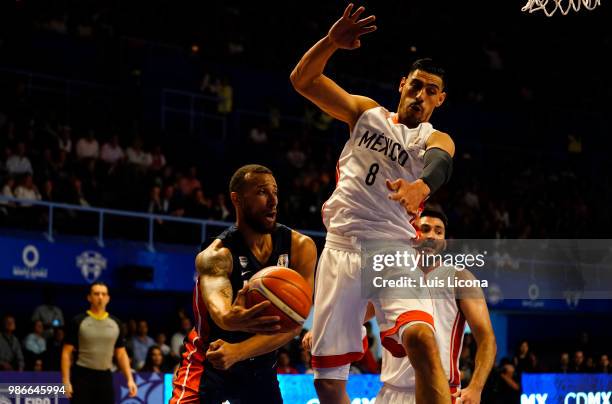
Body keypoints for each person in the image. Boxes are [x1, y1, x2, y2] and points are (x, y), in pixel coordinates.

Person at [290, 4, 455, 403]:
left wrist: (421, 188)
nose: (421, 95)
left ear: (440, 100)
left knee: (421, 340)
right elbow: (303, 80)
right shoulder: (366, 113)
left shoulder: (434, 138)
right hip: (341, 247)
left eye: (431, 91)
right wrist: (331, 43)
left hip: (391, 249)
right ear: (402, 85)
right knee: (328, 381)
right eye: (416, 85)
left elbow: (441, 161)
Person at [170, 164, 317, 404]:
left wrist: (239, 351)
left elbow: (294, 323)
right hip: (211, 359)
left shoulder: (301, 247)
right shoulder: (216, 255)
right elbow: (220, 312)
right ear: (236, 199)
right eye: (262, 192)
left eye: (275, 192)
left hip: (260, 365)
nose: (273, 201)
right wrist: (230, 319)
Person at [375, 207, 497, 404]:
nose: (431, 235)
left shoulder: (459, 277)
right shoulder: (393, 274)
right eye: (424, 229)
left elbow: (487, 339)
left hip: (440, 391)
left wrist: (476, 387)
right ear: (412, 234)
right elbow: (361, 313)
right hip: (391, 392)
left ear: (445, 242)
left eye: (438, 231)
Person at [61, 282, 137, 403]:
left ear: (108, 298)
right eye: (96, 294)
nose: (100, 297)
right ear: (89, 297)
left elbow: (121, 354)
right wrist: (66, 380)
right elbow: (66, 353)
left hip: (105, 377)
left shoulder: (116, 323)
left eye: (103, 294)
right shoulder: (78, 321)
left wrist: (130, 379)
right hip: (82, 376)